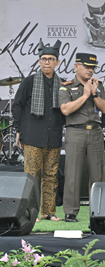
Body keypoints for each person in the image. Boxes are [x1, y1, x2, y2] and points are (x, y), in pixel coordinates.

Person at [13, 40, 64, 222]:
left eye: (51, 59)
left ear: (57, 62)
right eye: (43, 59)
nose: (47, 62)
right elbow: (17, 106)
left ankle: (48, 211)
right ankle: (30, 212)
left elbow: (65, 110)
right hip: (33, 136)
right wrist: (18, 130)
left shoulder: (61, 84)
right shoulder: (30, 82)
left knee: (51, 176)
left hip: (54, 137)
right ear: (39, 61)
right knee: (31, 177)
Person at [59, 53, 105, 223]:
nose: (90, 70)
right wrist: (85, 95)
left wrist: (94, 95)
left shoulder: (98, 85)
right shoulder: (66, 86)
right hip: (75, 132)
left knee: (97, 174)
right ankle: (71, 212)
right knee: (72, 173)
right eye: (87, 66)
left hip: (95, 131)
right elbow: (65, 109)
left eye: (93, 67)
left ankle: (98, 212)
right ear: (76, 66)